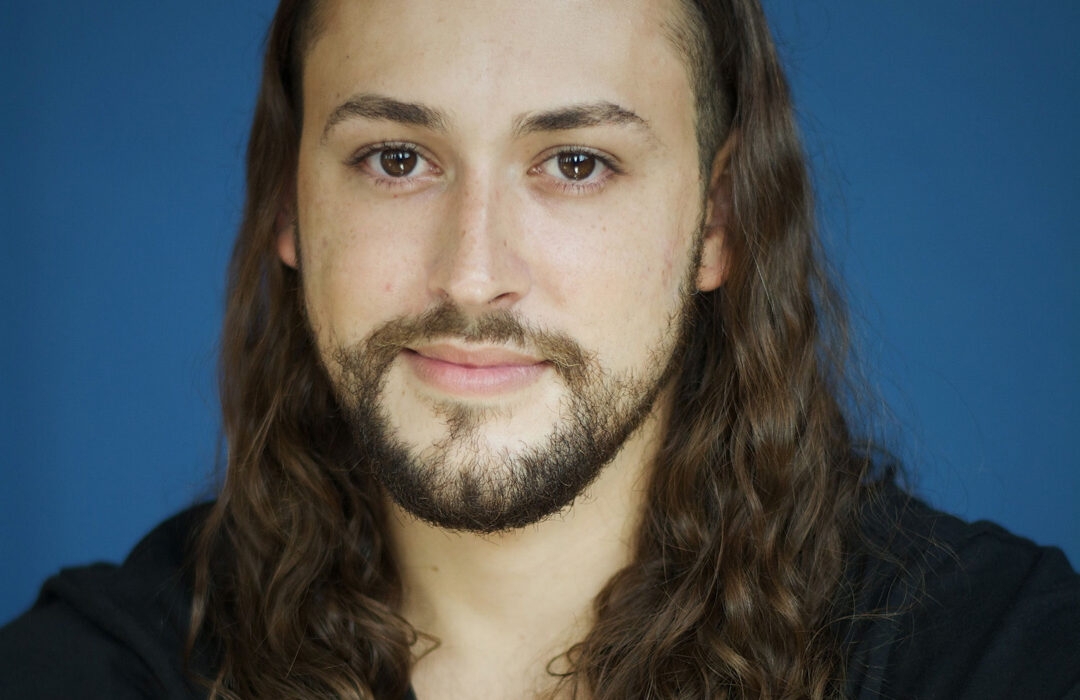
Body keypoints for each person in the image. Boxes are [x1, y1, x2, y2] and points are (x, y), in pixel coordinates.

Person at [2, 0, 1078, 698]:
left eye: (575, 163)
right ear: (290, 198)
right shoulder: (98, 668)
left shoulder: (985, 654)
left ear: (718, 220)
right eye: (395, 159)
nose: (472, 276)